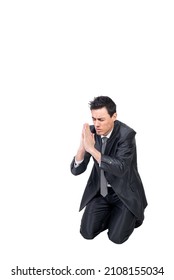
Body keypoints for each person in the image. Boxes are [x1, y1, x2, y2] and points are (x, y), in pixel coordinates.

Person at [70, 96, 147, 244]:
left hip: (123, 193)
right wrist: (82, 146)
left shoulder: (127, 135)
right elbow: (76, 171)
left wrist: (91, 149)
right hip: (101, 192)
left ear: (114, 116)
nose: (96, 124)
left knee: (116, 238)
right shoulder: (92, 133)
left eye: (101, 119)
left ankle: (126, 217)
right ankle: (113, 217)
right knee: (86, 233)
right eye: (94, 119)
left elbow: (120, 168)